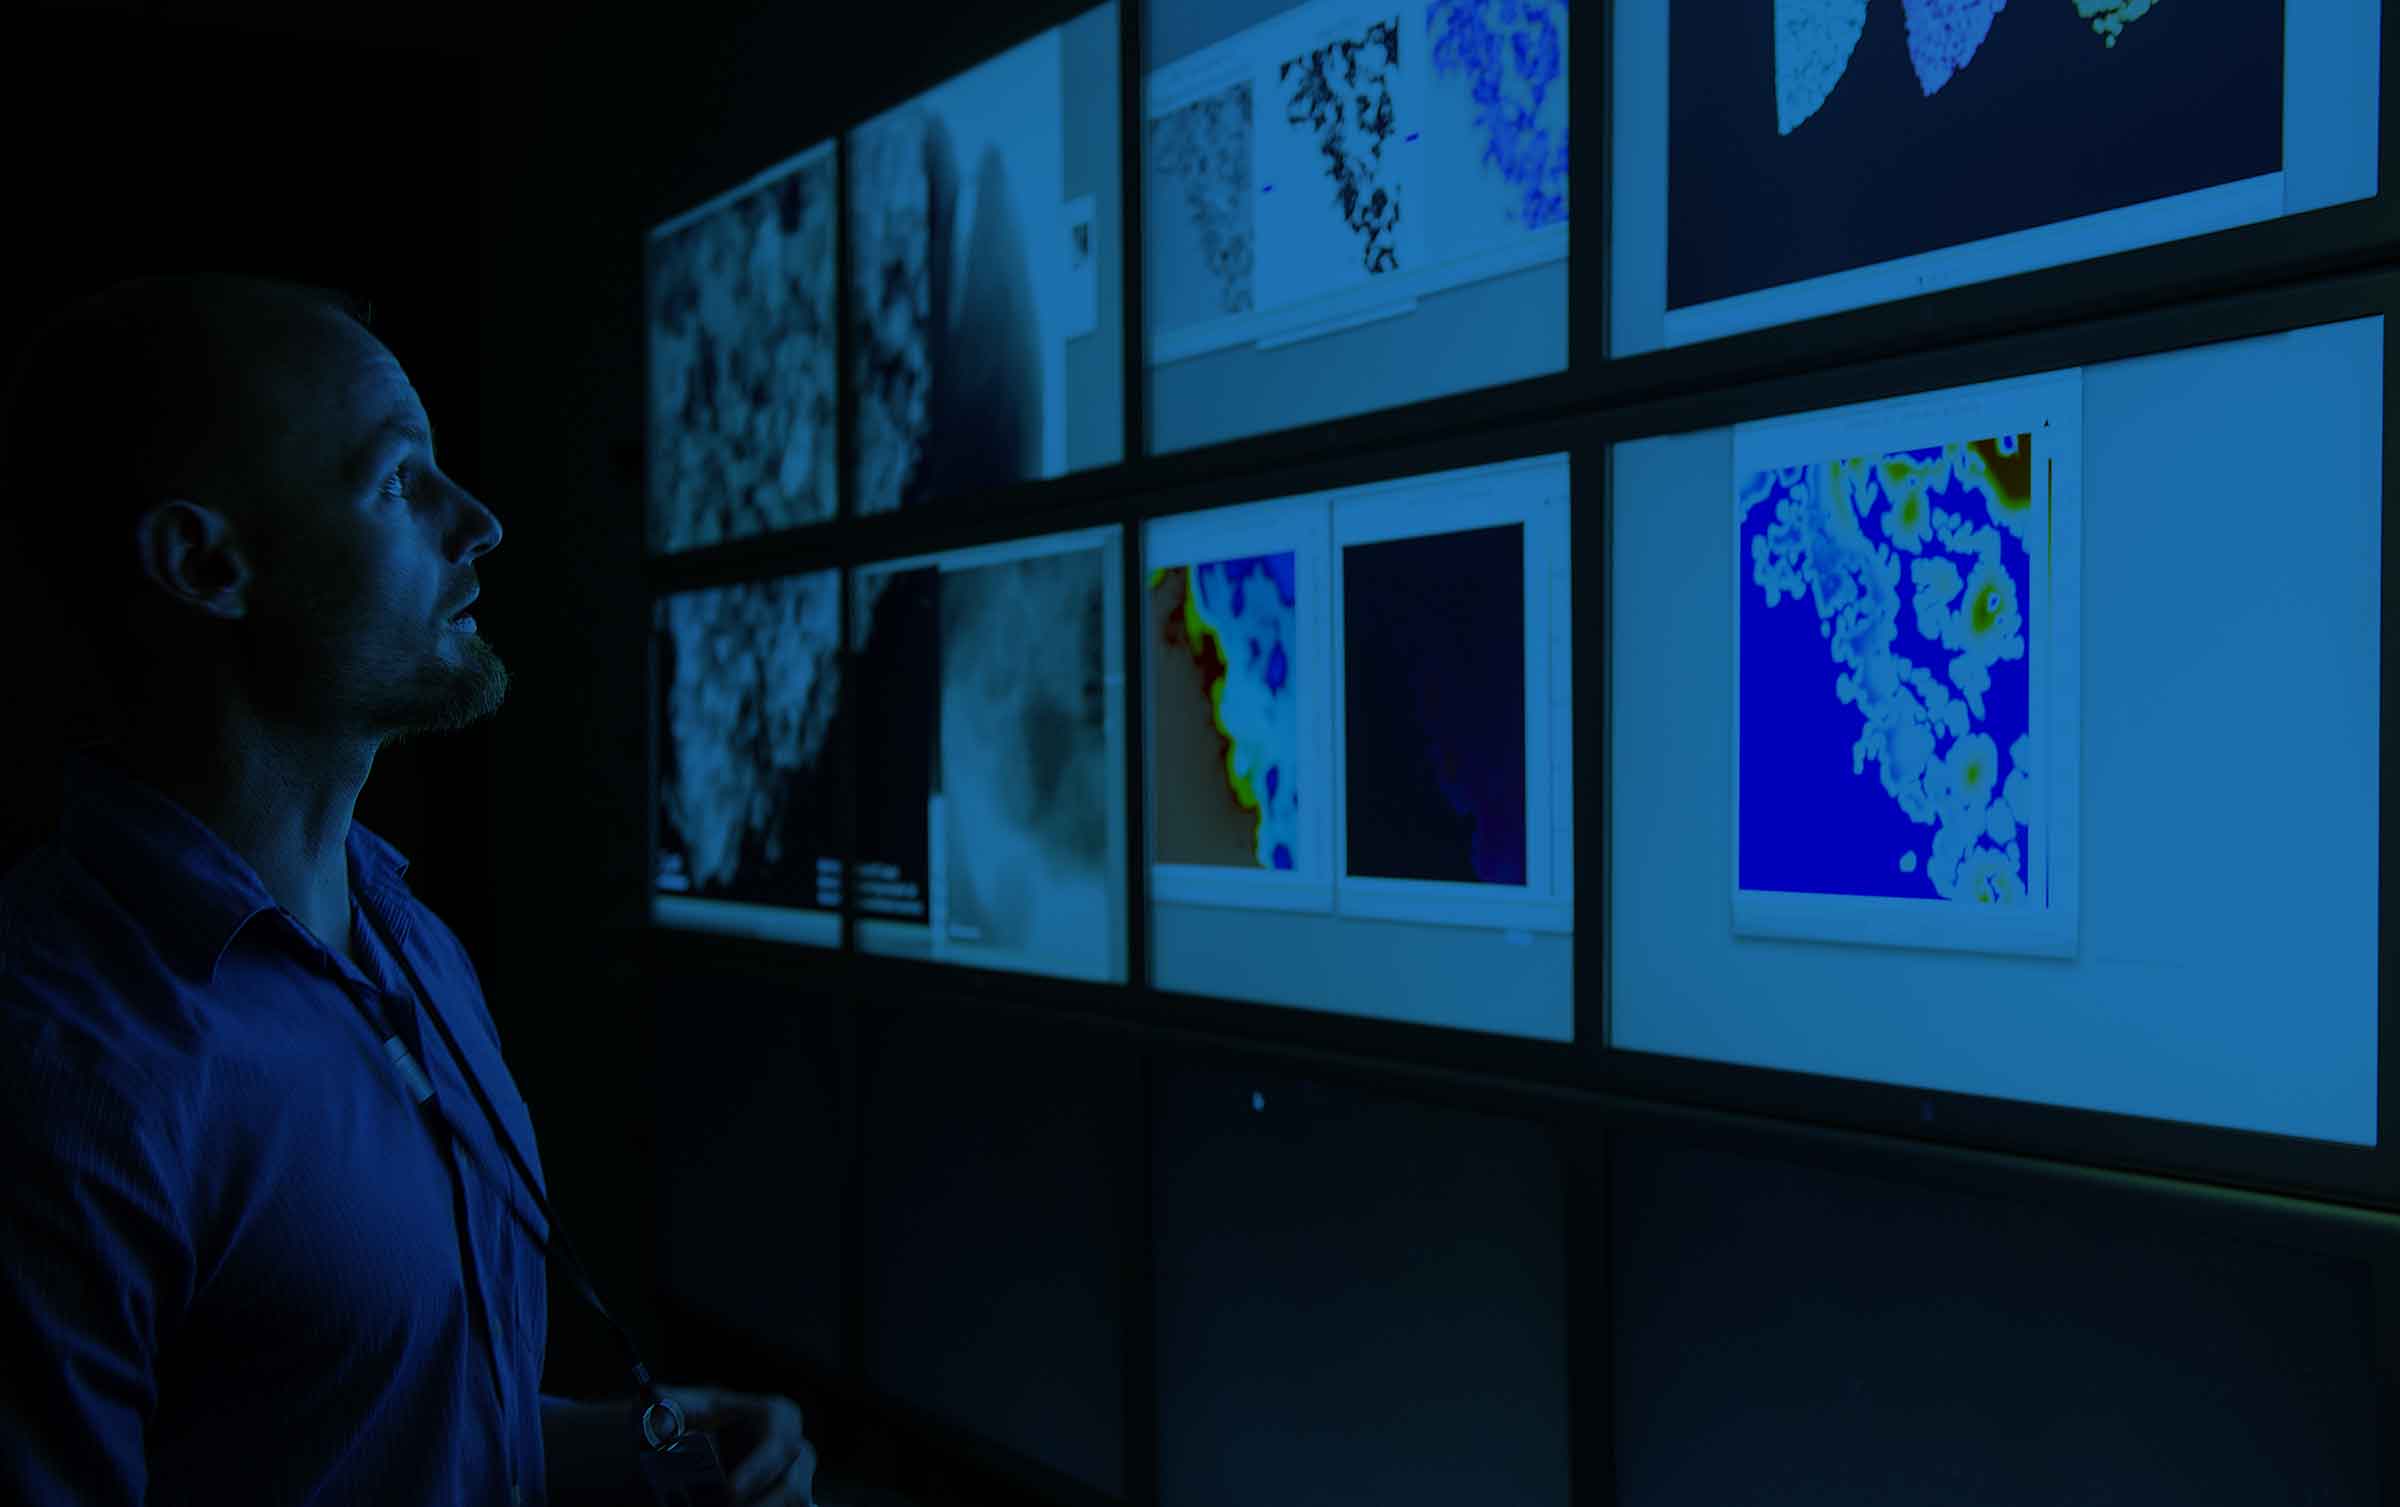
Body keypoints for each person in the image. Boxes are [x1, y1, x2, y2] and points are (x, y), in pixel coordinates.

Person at [0, 273, 821, 1505]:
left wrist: (646, 1463)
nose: (479, 520)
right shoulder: (64, 1075)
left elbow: (354, 1437)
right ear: (206, 565)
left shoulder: (406, 935)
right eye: (398, 481)